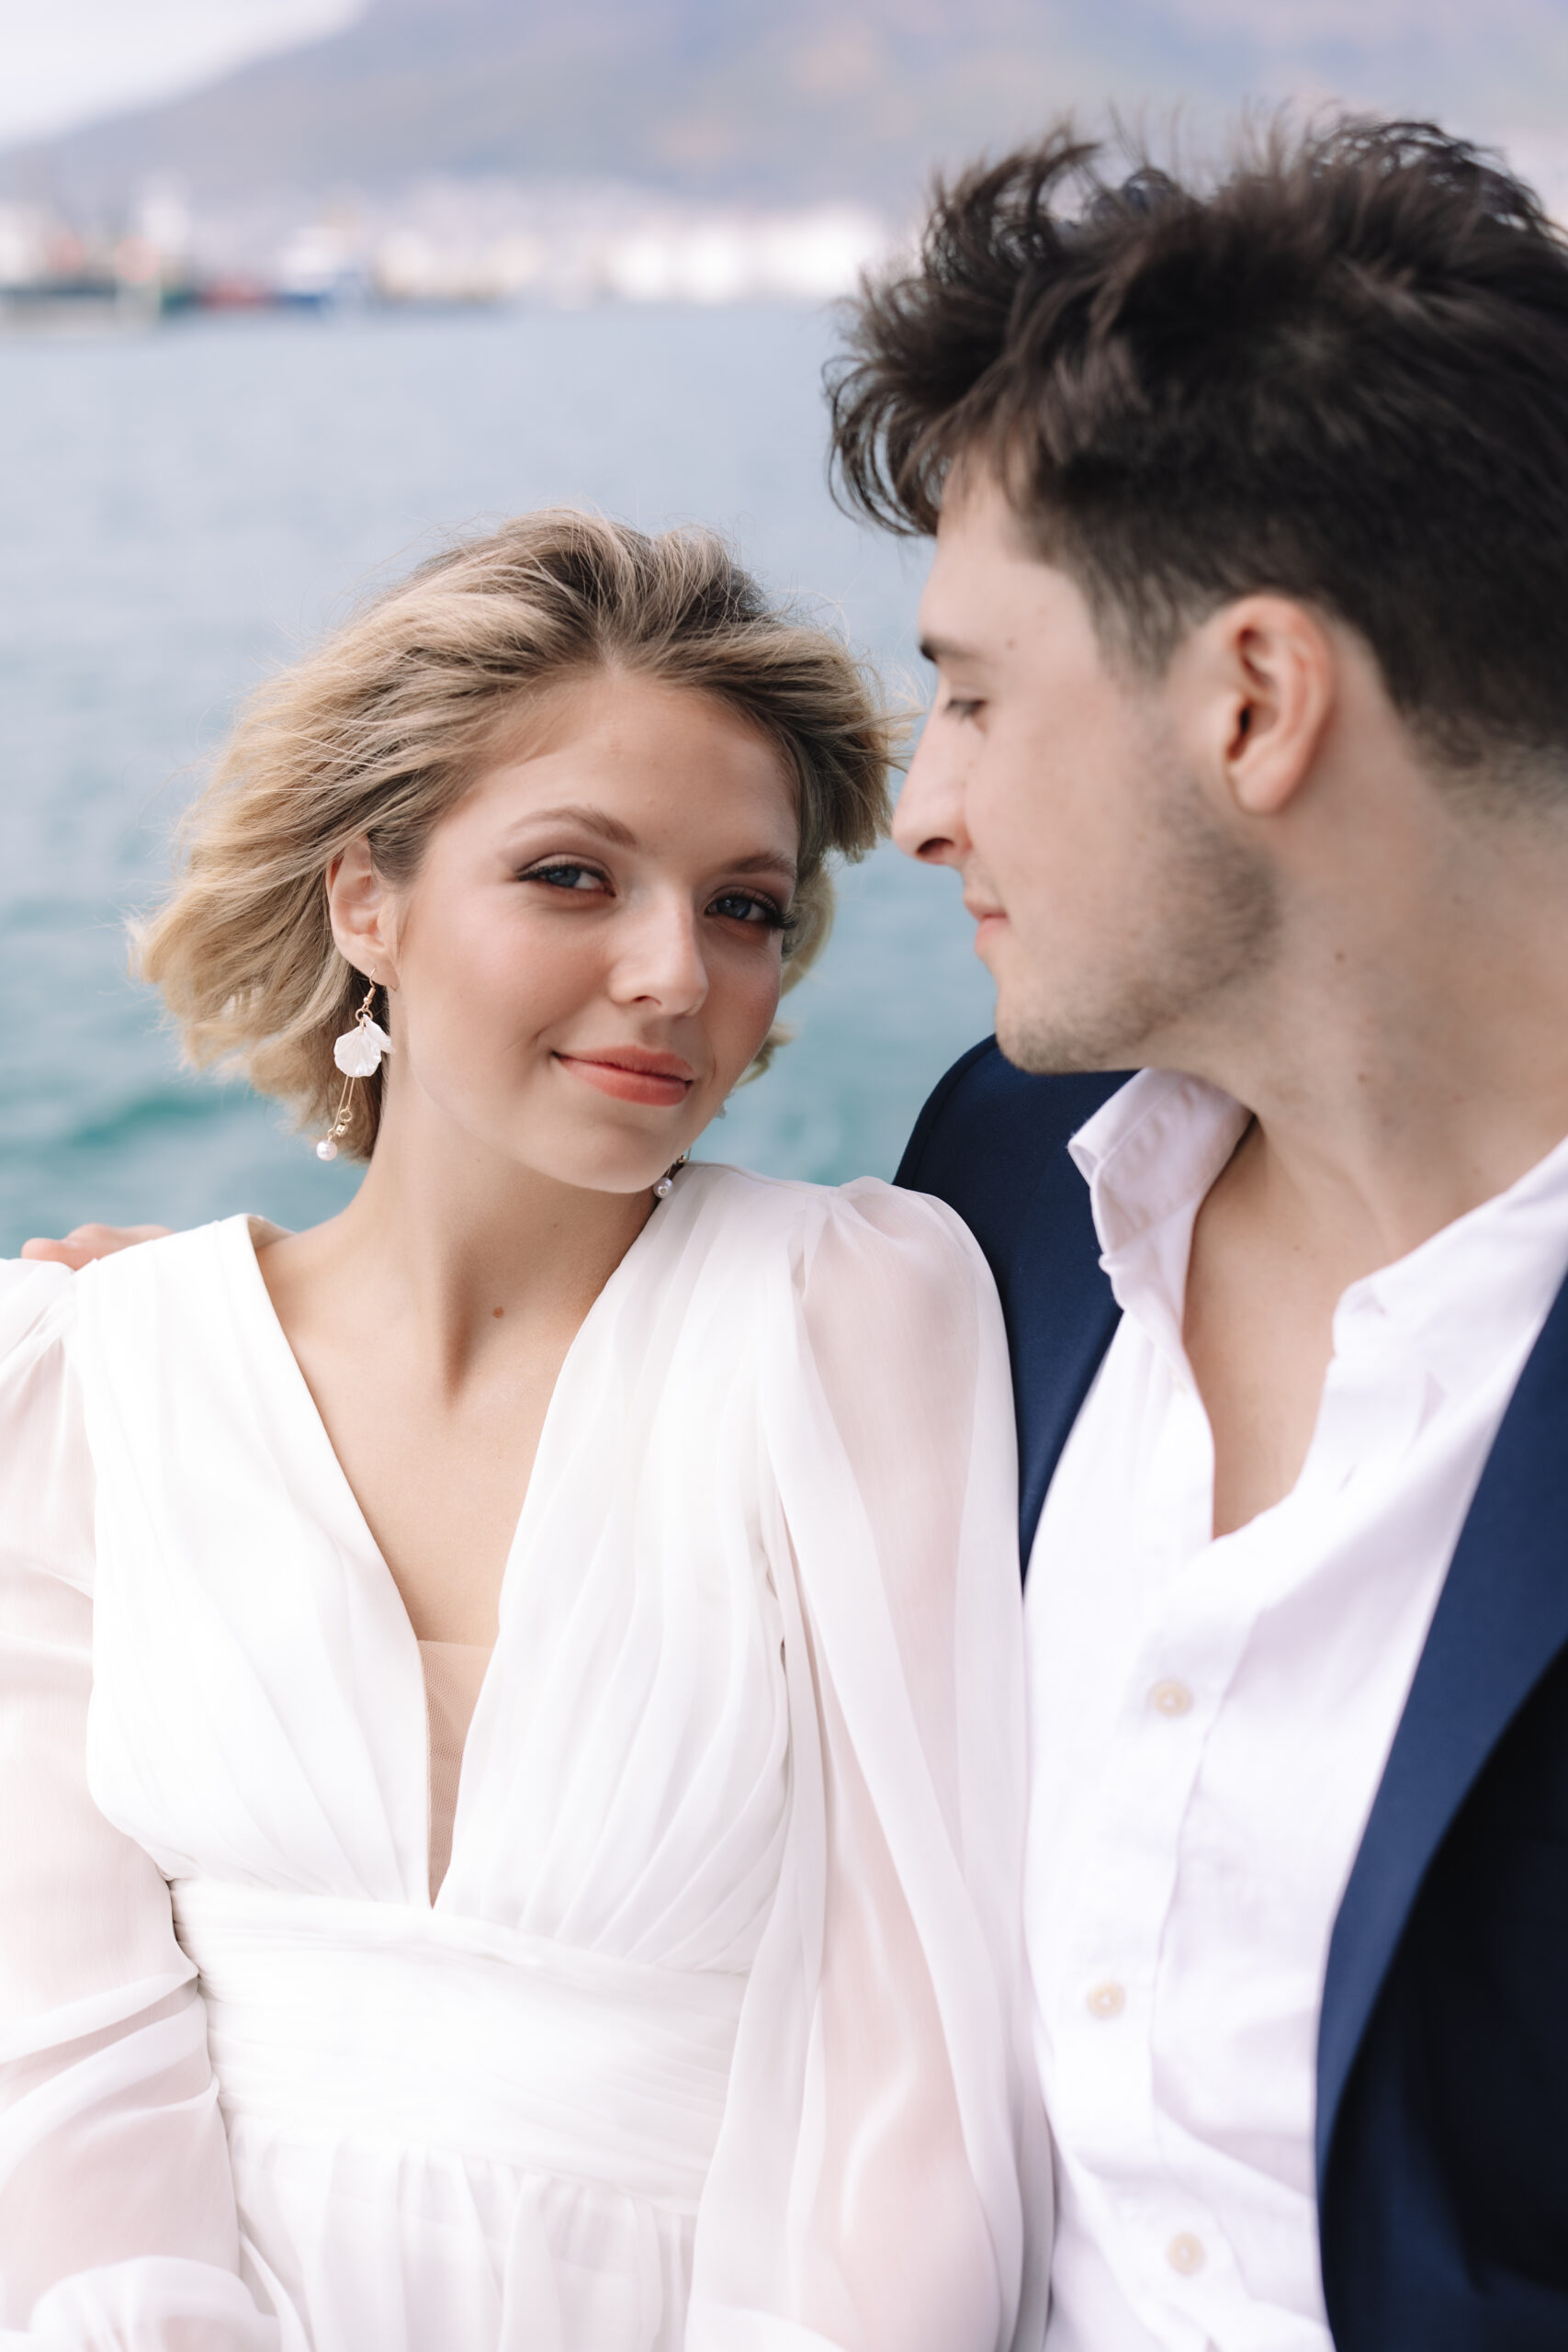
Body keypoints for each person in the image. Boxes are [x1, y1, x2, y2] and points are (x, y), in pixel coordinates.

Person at [0, 513, 1046, 2352]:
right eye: (574, 875)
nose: (674, 973)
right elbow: (57, 2060)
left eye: (742, 905)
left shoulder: (849, 1321)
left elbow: (918, 2072)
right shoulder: (92, 1382)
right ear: (368, 902)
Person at [829, 118, 1568, 2351]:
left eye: (972, 692)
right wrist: (208, 1353)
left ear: (1250, 698)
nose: (918, 804)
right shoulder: (996, 1182)